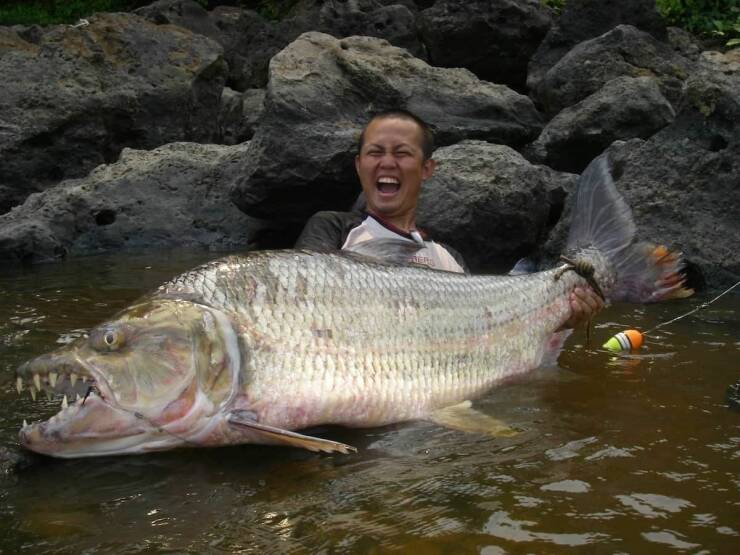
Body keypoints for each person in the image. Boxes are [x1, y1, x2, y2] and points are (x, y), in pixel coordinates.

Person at [295, 109, 602, 329]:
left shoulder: (448, 258)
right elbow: (304, 302)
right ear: (359, 165)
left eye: (402, 153)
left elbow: (487, 329)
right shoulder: (333, 229)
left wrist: (562, 319)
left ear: (427, 168)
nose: (387, 162)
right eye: (375, 153)